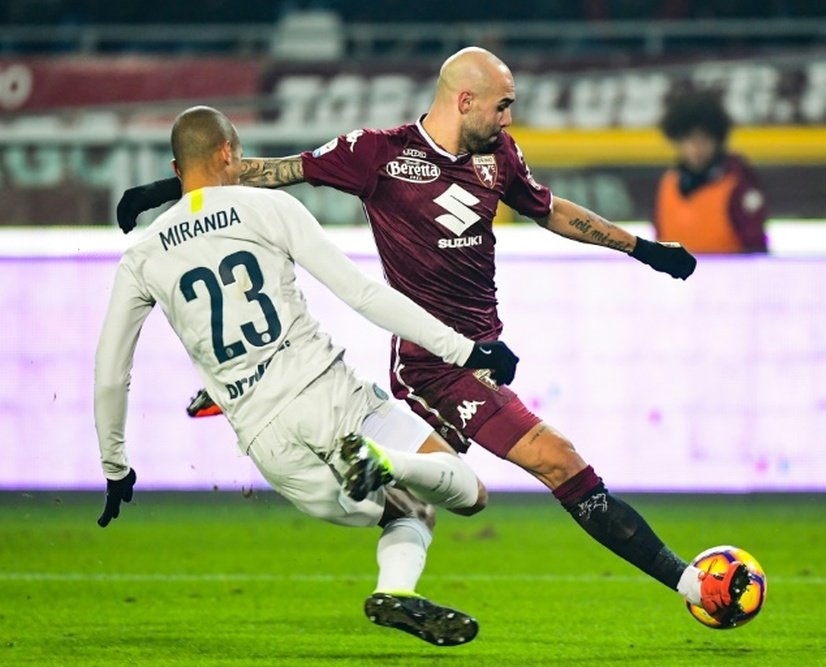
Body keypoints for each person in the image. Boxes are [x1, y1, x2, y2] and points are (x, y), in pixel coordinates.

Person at [117, 48, 750, 626]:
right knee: (555, 459)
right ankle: (693, 584)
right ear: (464, 99)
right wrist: (173, 190)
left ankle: (379, 552)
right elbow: (276, 171)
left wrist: (644, 249)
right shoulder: (376, 154)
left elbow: (550, 209)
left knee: (438, 499)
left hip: (480, 355)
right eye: (502, 105)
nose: (509, 117)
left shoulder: (499, 155)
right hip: (433, 364)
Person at [96, 105, 526, 646]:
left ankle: (396, 592)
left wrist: (116, 467)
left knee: (406, 509)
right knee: (468, 495)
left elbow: (111, 373)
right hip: (330, 393)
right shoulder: (268, 208)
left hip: (265, 439)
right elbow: (362, 294)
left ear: (176, 168)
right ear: (229, 153)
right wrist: (466, 350)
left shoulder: (142, 254)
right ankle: (382, 462)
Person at [653, 91, 768, 253]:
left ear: (717, 140)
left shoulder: (737, 182)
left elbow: (755, 245)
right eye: (688, 139)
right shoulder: (669, 182)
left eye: (703, 139)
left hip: (731, 275)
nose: (695, 148)